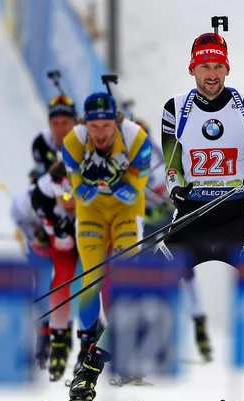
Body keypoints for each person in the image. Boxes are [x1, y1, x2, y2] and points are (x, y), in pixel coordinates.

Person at [67, 31, 244, 401]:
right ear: (193, 68)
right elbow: (172, 168)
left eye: (218, 66)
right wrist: (178, 188)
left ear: (226, 68)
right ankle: (89, 372)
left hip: (237, 226)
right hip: (190, 223)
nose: (212, 73)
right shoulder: (176, 109)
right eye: (205, 65)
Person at [61, 92, 152, 381]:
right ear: (84, 124)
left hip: (126, 210)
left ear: (117, 121)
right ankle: (86, 349)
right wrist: (96, 181)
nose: (100, 134)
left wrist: (109, 180)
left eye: (107, 126)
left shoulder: (136, 137)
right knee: (91, 278)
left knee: (125, 277)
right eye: (94, 127)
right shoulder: (72, 142)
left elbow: (135, 189)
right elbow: (80, 192)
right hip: (92, 212)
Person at [138, 119, 213, 362]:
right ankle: (148, 333)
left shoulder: (157, 157)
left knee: (185, 270)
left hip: (167, 218)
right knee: (145, 273)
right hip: (148, 221)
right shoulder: (126, 154)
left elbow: (166, 186)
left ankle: (199, 323)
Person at [31, 161, 80, 381]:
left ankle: (89, 340)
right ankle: (58, 341)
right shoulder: (42, 195)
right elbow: (63, 245)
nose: (67, 202)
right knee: (62, 276)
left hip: (88, 220)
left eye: (71, 195)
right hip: (61, 232)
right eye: (64, 196)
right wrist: (59, 233)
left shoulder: (82, 181)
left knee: (94, 280)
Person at [9, 183, 54, 370]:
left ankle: (44, 347)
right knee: (32, 298)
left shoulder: (53, 196)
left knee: (44, 296)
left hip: (52, 253)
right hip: (35, 254)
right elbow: (21, 228)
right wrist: (33, 239)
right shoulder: (21, 203)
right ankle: (29, 349)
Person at [30, 95, 78, 182]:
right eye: (55, 124)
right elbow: (42, 180)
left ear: (75, 123)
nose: (60, 130)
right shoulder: (41, 143)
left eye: (65, 123)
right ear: (49, 125)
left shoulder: (86, 139)